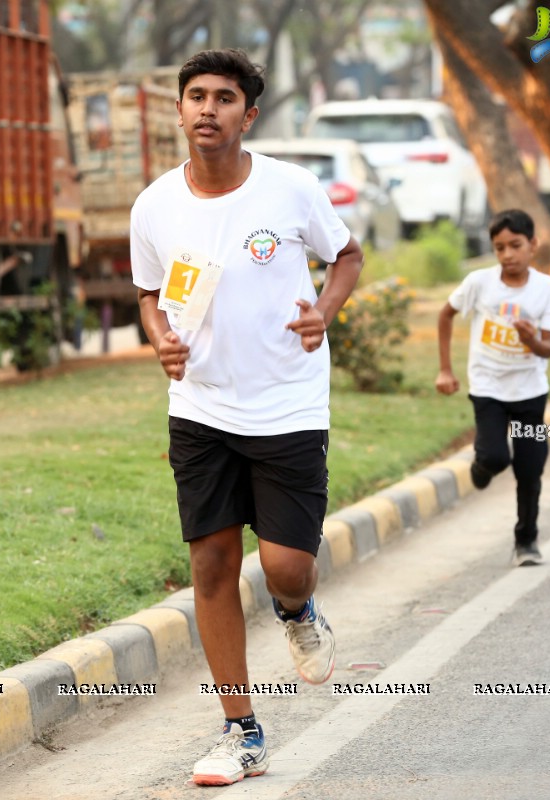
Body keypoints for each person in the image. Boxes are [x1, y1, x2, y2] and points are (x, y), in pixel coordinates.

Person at [129, 49, 363, 787]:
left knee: (285, 567)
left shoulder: (290, 189)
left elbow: (347, 254)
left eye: (223, 98)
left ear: (248, 114)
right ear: (179, 110)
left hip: (288, 402)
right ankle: (240, 729)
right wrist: (159, 339)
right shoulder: (154, 205)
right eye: (195, 96)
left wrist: (323, 311)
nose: (207, 109)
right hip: (200, 407)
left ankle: (298, 611)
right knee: (211, 563)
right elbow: (148, 291)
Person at [435, 209, 550, 567]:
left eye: (515, 245)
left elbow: (549, 349)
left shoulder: (547, 289)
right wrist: (445, 370)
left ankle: (526, 541)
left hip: (529, 391)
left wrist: (531, 340)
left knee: (530, 467)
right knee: (495, 457)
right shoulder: (480, 283)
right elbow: (445, 314)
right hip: (488, 387)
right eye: (499, 248)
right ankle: (481, 469)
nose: (508, 254)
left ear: (533, 245)